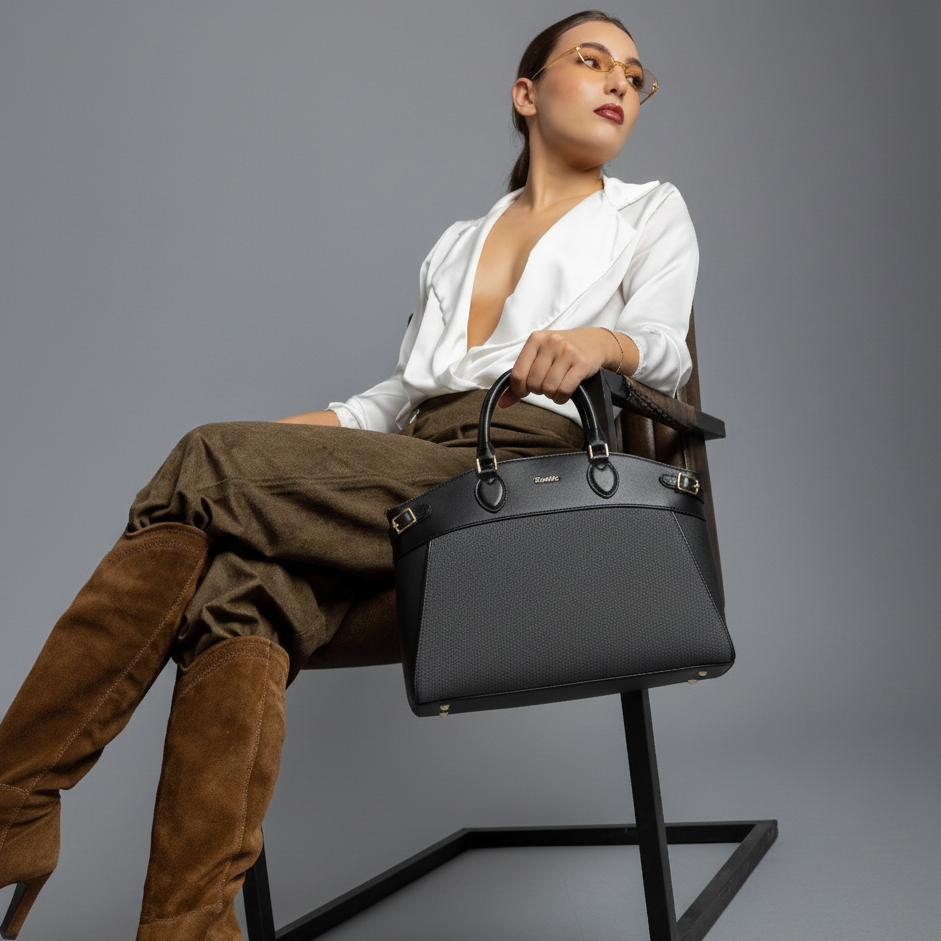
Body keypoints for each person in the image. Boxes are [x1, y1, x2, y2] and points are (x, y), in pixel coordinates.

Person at [0, 10, 698, 940]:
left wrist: (594, 341)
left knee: (206, 460)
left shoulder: (648, 211)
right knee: (241, 591)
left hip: (528, 481)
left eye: (634, 74)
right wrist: (271, 452)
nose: (619, 81)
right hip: (422, 464)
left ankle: (11, 804)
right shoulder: (457, 242)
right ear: (527, 94)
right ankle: (186, 928)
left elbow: (661, 349)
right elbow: (397, 398)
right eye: (591, 59)